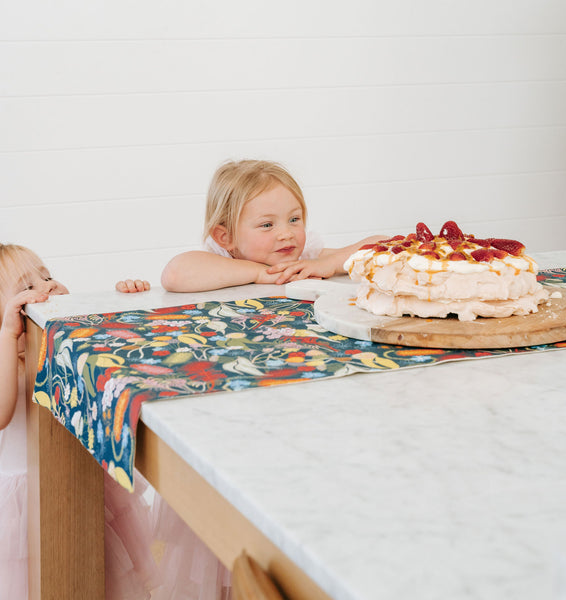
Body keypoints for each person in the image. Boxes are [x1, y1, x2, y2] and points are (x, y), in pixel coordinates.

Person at [0, 243, 230, 599]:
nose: (45, 287)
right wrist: (7, 335)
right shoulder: (5, 358)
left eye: (47, 276)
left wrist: (125, 300)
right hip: (25, 508)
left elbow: (112, 349)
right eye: (26, 286)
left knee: (102, 574)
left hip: (77, 482)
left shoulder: (58, 341)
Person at [161, 159, 385, 292]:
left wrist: (328, 264)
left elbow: (386, 245)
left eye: (294, 220)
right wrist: (260, 273)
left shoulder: (303, 258)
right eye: (267, 224)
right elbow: (174, 275)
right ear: (225, 237)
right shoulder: (221, 258)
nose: (286, 234)